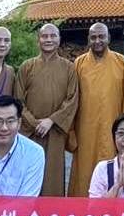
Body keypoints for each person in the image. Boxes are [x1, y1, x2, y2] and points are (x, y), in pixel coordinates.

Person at [14, 23, 79, 196]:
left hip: (55, 131)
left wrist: (51, 121)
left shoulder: (69, 67)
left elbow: (72, 99)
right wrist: (34, 123)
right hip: (30, 132)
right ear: (38, 41)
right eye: (44, 36)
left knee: (53, 177)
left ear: (59, 40)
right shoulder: (27, 67)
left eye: (52, 36)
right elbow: (18, 100)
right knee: (28, 175)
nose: (48, 39)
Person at [67, 23, 124, 197]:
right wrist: (71, 132)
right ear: (88, 40)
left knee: (115, 170)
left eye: (101, 36)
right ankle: (82, 213)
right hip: (85, 130)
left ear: (109, 38)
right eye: (93, 37)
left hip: (113, 129)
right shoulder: (78, 64)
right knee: (84, 174)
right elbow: (71, 100)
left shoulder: (121, 62)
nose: (97, 41)